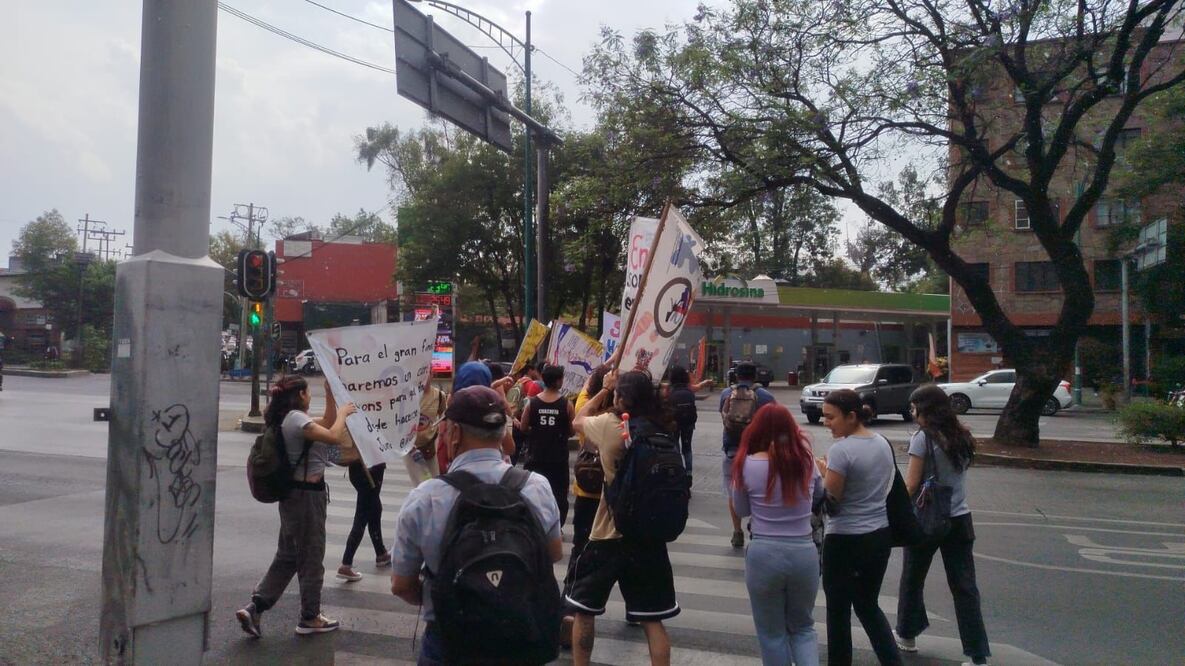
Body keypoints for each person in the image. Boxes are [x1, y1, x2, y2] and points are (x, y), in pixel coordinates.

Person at [389, 385, 563, 665]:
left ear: (454, 432)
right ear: (502, 431)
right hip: (521, 639)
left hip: (451, 642)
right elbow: (553, 553)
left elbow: (401, 585)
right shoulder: (536, 486)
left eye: (444, 426)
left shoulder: (425, 498)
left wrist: (451, 595)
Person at [568, 370, 680, 666]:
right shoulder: (663, 428)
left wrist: (603, 390)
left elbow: (578, 419)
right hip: (647, 536)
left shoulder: (610, 425)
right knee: (653, 621)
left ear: (621, 396)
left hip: (608, 533)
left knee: (585, 610)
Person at [236, 376, 357, 638]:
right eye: (309, 391)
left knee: (288, 556)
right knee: (311, 557)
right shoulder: (295, 419)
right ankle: (310, 617)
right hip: (305, 498)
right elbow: (334, 435)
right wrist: (345, 412)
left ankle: (255, 607)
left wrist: (330, 397)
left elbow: (324, 424)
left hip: (294, 496)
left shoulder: (290, 418)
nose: (310, 394)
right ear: (300, 394)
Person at [894, 385, 991, 666]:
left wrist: (894, 510)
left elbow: (911, 484)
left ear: (926, 409)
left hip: (926, 518)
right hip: (960, 518)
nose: (913, 414)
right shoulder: (961, 435)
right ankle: (977, 655)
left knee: (912, 578)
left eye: (914, 408)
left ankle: (907, 635)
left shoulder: (922, 439)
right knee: (965, 587)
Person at [731, 404, 823, 666]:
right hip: (804, 552)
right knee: (803, 628)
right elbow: (818, 496)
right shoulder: (806, 461)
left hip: (764, 554)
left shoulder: (745, 464)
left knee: (772, 634)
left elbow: (741, 509)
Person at [816, 389, 902, 666]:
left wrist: (822, 473)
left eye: (830, 417)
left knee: (838, 611)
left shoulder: (842, 450)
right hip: (879, 535)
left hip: (844, 539)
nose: (825, 422)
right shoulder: (881, 442)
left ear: (851, 416)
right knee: (868, 605)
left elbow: (832, 504)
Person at [719, 362, 775, 548]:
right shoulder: (765, 396)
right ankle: (756, 528)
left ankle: (737, 531)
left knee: (732, 491)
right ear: (755, 375)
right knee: (758, 491)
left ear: (736, 375)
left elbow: (723, 417)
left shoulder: (726, 394)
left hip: (732, 450)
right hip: (758, 452)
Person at [520, 364, 575, 526]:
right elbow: (572, 431)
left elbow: (523, 427)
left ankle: (533, 523)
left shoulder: (532, 403)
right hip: (558, 459)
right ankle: (557, 525)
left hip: (536, 456)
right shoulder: (566, 404)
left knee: (533, 492)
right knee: (559, 494)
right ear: (559, 381)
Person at [335, 458, 390, 583]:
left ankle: (381, 553)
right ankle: (346, 564)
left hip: (358, 468)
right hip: (370, 470)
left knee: (375, 508)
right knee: (362, 515)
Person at [665, 365, 711, 473]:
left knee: (674, 446)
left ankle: (676, 470)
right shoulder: (689, 389)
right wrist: (706, 382)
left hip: (674, 423)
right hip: (688, 423)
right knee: (687, 448)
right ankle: (689, 473)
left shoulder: (669, 390)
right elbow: (698, 386)